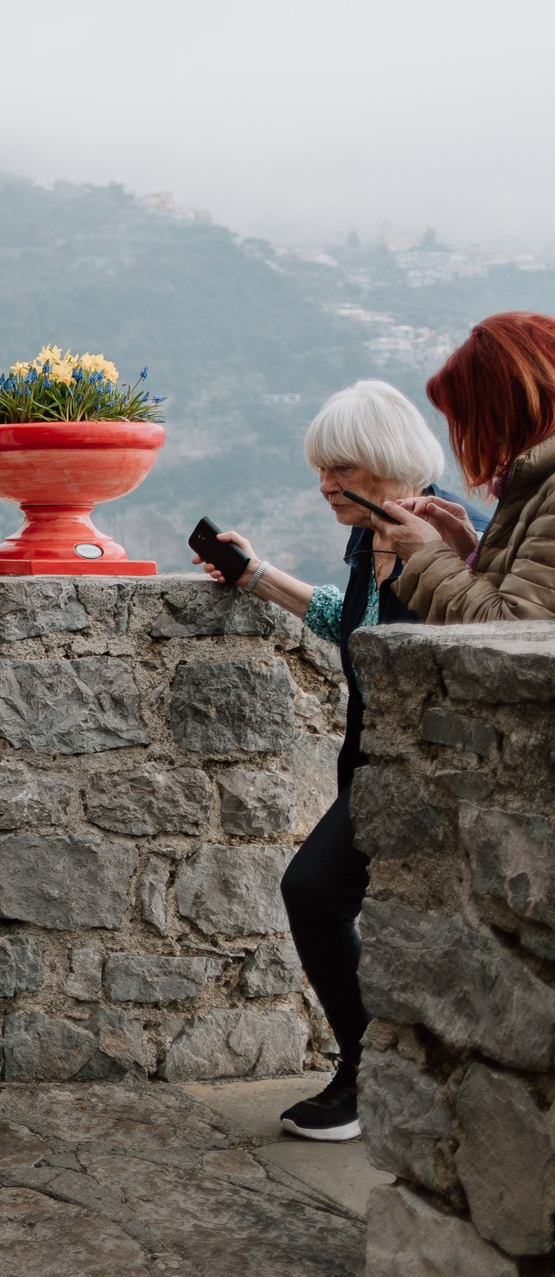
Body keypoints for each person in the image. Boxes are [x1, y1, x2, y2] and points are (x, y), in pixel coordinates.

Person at [194, 379, 478, 1143]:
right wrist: (256, 575)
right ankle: (371, 1071)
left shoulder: (450, 538)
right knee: (323, 896)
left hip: (425, 772)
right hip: (374, 767)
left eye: (342, 469)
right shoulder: (370, 535)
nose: (325, 485)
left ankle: (366, 1074)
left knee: (314, 889)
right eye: (322, 468)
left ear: (390, 465)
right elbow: (350, 622)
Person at [360, 311, 555, 623]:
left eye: (474, 419)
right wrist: (470, 551)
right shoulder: (538, 483)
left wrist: (426, 555)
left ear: (507, 408)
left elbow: (515, 637)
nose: (478, 438)